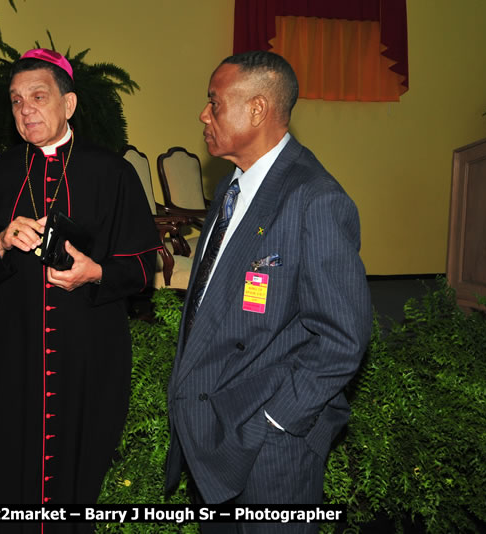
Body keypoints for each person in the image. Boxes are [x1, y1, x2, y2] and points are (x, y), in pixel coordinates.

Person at [0, 49, 160, 532]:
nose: (26, 110)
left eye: (38, 97)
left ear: (70, 103)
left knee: (81, 468)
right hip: (17, 353)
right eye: (16, 101)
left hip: (91, 353)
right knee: (13, 463)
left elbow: (145, 266)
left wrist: (95, 272)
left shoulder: (112, 173)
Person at [165, 51, 372, 533]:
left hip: (269, 448)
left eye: (214, 103)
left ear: (256, 110)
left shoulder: (316, 199)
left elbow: (342, 339)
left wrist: (277, 422)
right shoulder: (232, 189)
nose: (203, 114)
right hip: (212, 433)